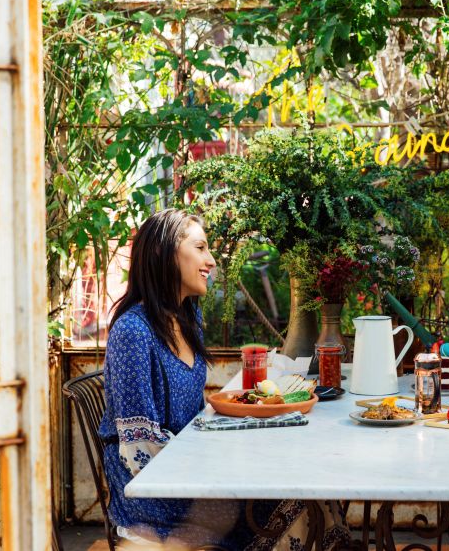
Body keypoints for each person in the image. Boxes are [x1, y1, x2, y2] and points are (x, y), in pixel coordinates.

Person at [98, 209, 350, 549]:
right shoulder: (133, 331)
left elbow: (194, 417)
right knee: (300, 503)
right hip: (155, 494)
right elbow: (140, 449)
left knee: (314, 489)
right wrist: (224, 469)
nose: (212, 261)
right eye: (200, 247)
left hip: (190, 471)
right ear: (162, 252)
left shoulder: (189, 316)